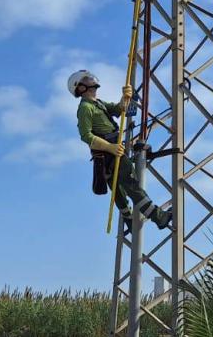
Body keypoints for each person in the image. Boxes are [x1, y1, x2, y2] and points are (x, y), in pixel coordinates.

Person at [69, 69, 172, 232]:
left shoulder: (98, 103)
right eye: (87, 80)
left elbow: (119, 110)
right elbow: (86, 136)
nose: (92, 81)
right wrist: (110, 147)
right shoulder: (85, 108)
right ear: (80, 87)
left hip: (113, 149)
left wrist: (125, 97)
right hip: (108, 153)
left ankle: (129, 219)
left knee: (119, 188)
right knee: (131, 184)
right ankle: (159, 217)